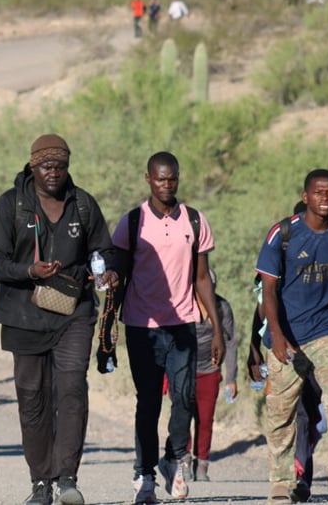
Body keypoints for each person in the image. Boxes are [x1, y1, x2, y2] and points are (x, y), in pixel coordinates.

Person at [0, 134, 117, 505]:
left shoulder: (83, 205)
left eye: (60, 165)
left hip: (73, 312)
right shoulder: (11, 205)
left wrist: (107, 271)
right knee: (33, 399)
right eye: (47, 166)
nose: (54, 173)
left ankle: (67, 479)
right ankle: (40, 482)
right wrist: (30, 269)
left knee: (73, 387)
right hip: (22, 314)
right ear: (33, 166)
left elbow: (103, 249)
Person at [110, 151, 224, 503]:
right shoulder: (131, 223)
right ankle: (144, 475)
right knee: (148, 404)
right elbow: (117, 277)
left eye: (172, 178)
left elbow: (202, 278)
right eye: (160, 178)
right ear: (148, 179)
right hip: (141, 325)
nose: (167, 184)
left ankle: (173, 459)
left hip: (183, 324)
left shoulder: (194, 220)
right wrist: (108, 333)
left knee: (185, 398)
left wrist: (216, 328)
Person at [256, 169, 328, 505]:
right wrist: (276, 336)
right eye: (318, 192)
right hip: (287, 336)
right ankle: (280, 483)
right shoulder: (284, 233)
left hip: (326, 333)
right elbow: (268, 289)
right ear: (305, 196)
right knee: (281, 413)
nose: (325, 197)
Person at [188, 268, 238, 483]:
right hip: (184, 370)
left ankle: (202, 463)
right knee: (182, 415)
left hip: (209, 371)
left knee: (205, 418)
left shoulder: (222, 307)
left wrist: (231, 378)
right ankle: (183, 460)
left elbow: (231, 342)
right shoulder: (185, 305)